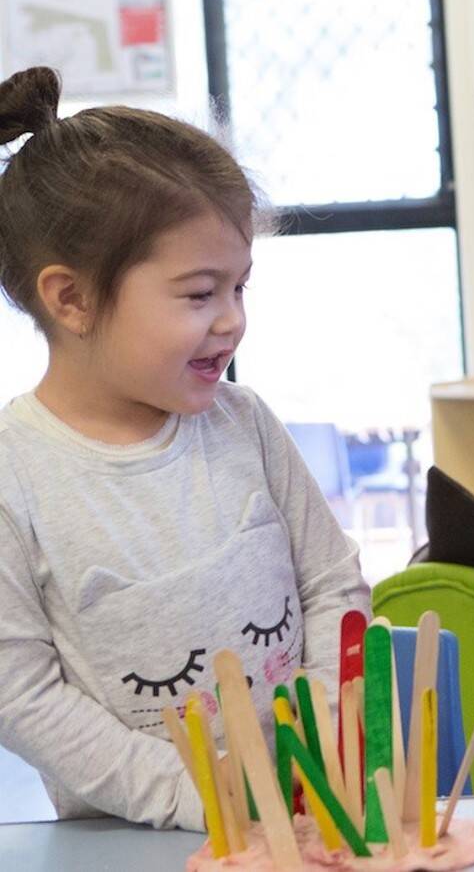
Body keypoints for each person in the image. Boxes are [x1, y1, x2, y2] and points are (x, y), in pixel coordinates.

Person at [0, 68, 370, 829]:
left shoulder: (246, 423)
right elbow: (21, 693)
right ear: (69, 297)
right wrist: (193, 793)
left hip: (308, 820)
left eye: (241, 288)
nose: (233, 320)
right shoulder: (16, 475)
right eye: (201, 294)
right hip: (136, 840)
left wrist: (329, 733)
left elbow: (333, 586)